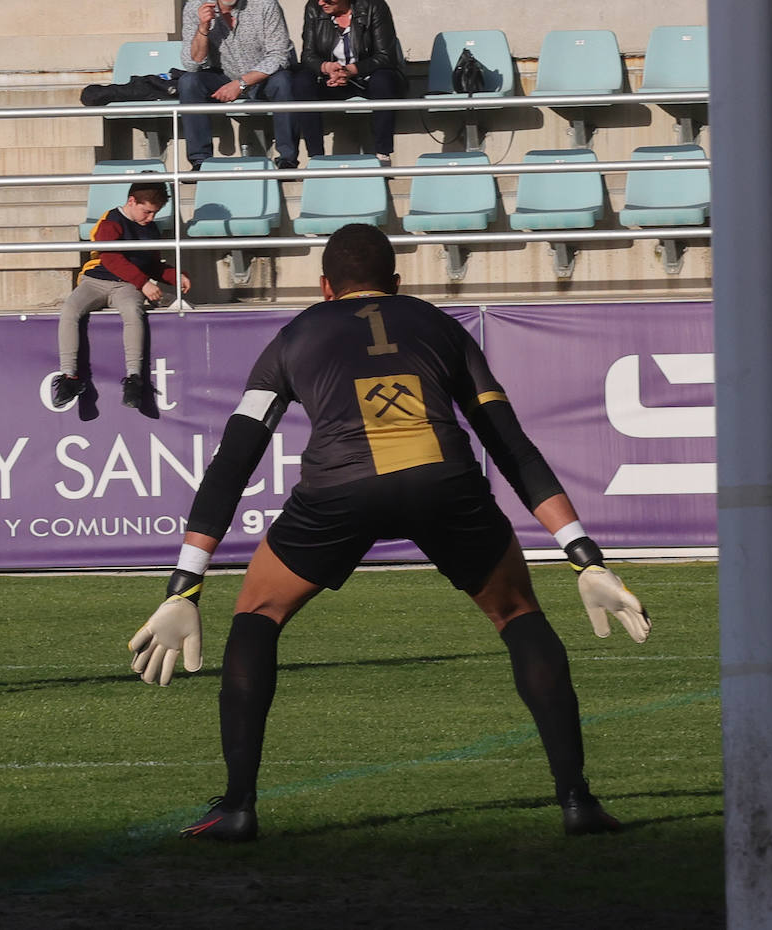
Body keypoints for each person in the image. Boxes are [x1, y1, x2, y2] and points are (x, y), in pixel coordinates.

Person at [127, 224, 651, 840]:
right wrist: (583, 556)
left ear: (325, 288)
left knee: (257, 613)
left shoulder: (294, 333)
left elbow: (233, 462)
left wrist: (184, 586)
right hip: (443, 481)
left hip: (341, 489)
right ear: (396, 285)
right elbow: (511, 446)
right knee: (519, 615)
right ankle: (577, 802)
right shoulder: (437, 323)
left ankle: (237, 806)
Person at [53, 181, 190, 410]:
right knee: (70, 309)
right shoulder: (111, 221)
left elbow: (152, 264)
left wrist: (175, 276)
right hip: (96, 282)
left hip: (127, 286)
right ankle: (69, 377)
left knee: (132, 312)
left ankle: (134, 378)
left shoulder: (151, 229)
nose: (150, 218)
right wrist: (144, 283)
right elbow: (111, 258)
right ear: (131, 201)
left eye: (155, 213)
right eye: (147, 211)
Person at [179, 0, 302, 170]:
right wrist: (203, 28)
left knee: (283, 82)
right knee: (189, 82)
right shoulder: (195, 7)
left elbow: (279, 56)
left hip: (263, 76)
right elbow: (192, 64)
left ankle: (287, 160)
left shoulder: (265, 4)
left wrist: (241, 83)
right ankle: (200, 161)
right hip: (222, 75)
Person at [292, 0, 408, 163]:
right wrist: (326, 67)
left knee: (384, 80)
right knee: (302, 81)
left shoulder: (374, 6)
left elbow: (385, 56)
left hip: (366, 76)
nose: (321, 2)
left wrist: (351, 70)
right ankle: (316, 158)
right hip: (331, 79)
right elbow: (308, 55)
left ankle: (382, 155)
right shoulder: (314, 8)